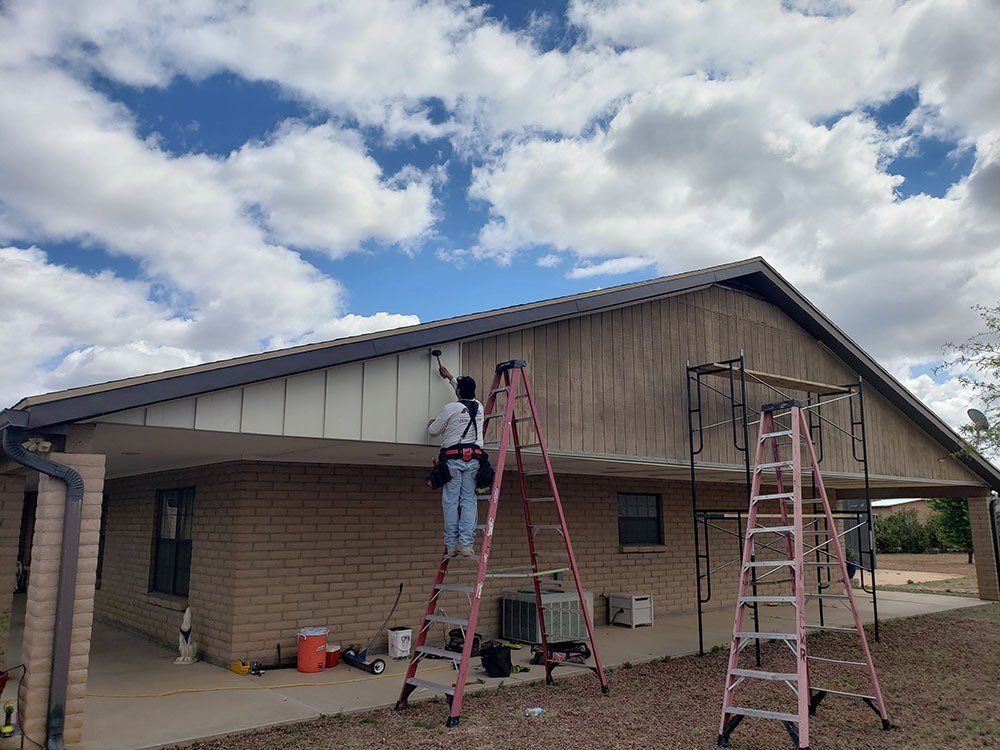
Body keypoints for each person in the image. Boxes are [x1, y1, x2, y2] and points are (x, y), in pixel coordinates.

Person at [427, 361, 485, 557]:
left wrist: (432, 423)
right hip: (473, 460)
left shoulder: (450, 408)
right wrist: (451, 378)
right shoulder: (479, 407)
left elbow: (433, 432)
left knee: (451, 502)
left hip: (452, 460)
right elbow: (464, 399)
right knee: (469, 500)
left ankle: (451, 546)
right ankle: (466, 545)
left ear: (458, 392)